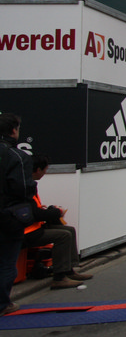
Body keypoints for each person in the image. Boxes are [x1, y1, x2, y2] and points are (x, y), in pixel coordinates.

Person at [23, 155, 92, 289]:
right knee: (63, 236)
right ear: (38, 170)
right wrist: (56, 212)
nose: (45, 173)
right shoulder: (26, 187)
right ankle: (59, 277)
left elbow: (33, 210)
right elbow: (35, 214)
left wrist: (44, 210)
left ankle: (69, 270)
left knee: (69, 230)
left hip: (33, 227)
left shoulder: (28, 184)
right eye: (45, 170)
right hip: (28, 232)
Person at [1, 113, 34, 317]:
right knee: (6, 262)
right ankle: (3, 303)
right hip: (8, 217)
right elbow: (23, 188)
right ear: (13, 131)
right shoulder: (16, 156)